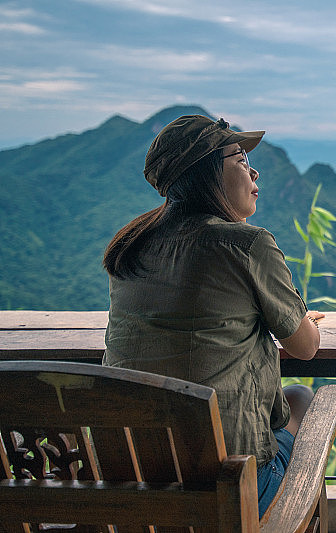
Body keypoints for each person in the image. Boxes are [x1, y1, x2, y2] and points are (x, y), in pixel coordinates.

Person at [102, 114, 324, 518]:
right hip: (226, 494)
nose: (254, 171)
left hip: (138, 485)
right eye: (240, 159)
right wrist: (297, 319)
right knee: (303, 398)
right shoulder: (247, 245)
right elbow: (306, 347)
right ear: (207, 173)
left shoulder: (130, 246)